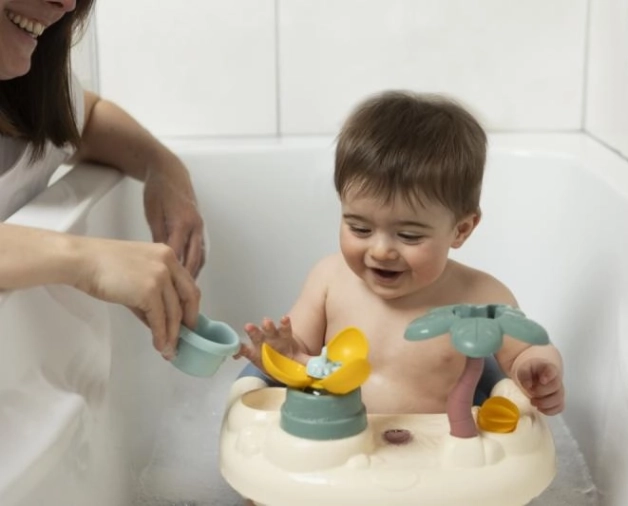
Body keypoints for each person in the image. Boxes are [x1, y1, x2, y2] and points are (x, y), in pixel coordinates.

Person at [236, 90, 565, 417]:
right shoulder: (329, 279)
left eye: (409, 235)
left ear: (461, 230)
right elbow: (300, 352)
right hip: (338, 435)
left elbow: (527, 349)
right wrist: (282, 353)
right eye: (359, 228)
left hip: (437, 445)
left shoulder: (480, 298)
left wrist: (536, 369)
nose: (381, 251)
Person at [0, 0, 203, 359]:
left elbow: (86, 117)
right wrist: (85, 260)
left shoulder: (23, 90)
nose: (67, 3)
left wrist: (164, 168)